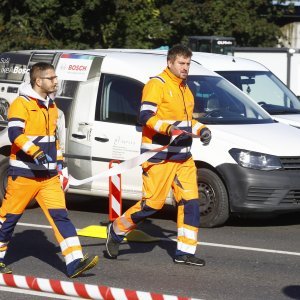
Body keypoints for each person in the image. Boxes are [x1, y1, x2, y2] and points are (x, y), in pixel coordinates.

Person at [106, 45, 212, 266]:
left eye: (188, 64)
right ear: (170, 62)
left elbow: (187, 121)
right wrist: (168, 130)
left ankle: (184, 252)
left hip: (183, 157)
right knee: (152, 205)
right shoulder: (157, 84)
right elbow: (145, 117)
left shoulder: (185, 89)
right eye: (182, 64)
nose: (185, 68)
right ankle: (117, 229)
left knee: (190, 203)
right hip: (159, 157)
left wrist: (201, 129)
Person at [0, 62, 98, 277]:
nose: (56, 81)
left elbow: (54, 141)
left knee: (61, 217)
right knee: (7, 220)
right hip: (24, 176)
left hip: (48, 177)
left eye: (55, 77)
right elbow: (15, 133)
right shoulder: (21, 103)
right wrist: (35, 151)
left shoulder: (52, 106)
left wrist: (61, 167)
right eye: (51, 78)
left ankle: (75, 263)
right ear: (38, 81)